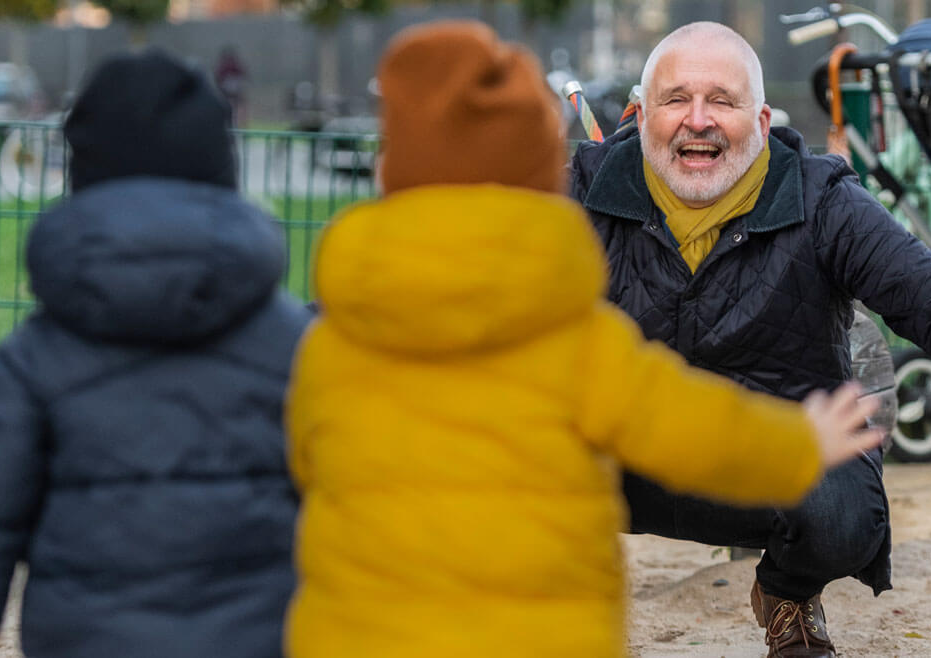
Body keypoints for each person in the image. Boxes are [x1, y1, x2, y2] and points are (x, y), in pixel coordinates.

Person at [284, 20, 884, 658]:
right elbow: (690, 425)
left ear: (387, 173)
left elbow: (299, 459)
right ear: (543, 187)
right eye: (677, 98)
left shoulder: (335, 346)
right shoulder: (574, 343)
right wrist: (797, 445)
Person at [568, 21, 931, 658]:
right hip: (621, 459)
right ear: (640, 112)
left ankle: (787, 595)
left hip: (776, 456)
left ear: (762, 119)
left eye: (723, 101)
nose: (699, 120)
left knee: (848, 512)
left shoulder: (820, 199)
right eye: (676, 98)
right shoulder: (581, 191)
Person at [0, 50, 311, 657]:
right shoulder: (293, 341)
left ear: (82, 179)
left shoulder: (37, 353)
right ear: (222, 174)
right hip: (258, 633)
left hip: (85, 637)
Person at [215, 45, 248, 126]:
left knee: (237, 110)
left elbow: (243, 76)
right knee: (233, 109)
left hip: (232, 93)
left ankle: (238, 124)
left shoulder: (231, 66)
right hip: (226, 93)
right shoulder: (225, 67)